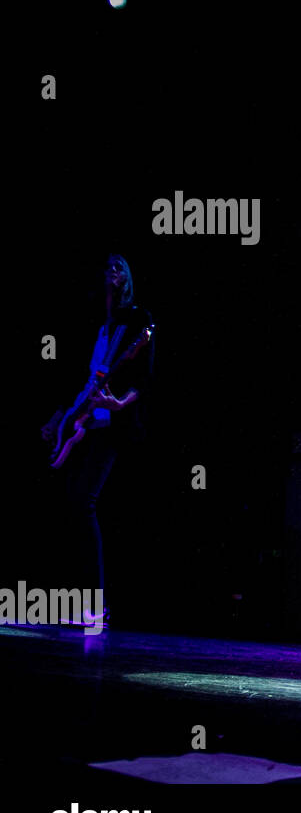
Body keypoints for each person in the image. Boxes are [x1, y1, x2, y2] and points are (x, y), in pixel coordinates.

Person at [41, 255, 154, 627]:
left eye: (120, 268)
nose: (112, 273)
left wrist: (119, 403)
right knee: (71, 506)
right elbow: (77, 374)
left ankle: (97, 606)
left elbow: (145, 377)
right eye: (107, 267)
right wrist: (60, 416)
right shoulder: (96, 325)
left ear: (127, 277)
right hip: (83, 421)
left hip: (110, 423)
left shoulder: (137, 320)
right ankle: (75, 599)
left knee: (84, 501)